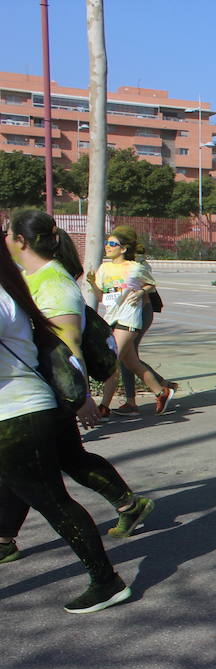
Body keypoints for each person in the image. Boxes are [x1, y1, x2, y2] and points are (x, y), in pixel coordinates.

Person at [0, 210, 155, 564]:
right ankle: (129, 505)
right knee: (52, 462)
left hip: (50, 392)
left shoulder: (52, 281)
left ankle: (104, 566)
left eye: (9, 234)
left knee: (36, 469)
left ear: (22, 241)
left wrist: (81, 396)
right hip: (42, 390)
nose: (5, 240)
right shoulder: (29, 276)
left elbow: (67, 342)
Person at [0, 239, 132, 613]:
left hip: (17, 415)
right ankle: (4, 538)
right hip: (21, 412)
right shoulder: (13, 287)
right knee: (22, 486)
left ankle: (106, 581)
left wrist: (82, 396)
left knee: (53, 501)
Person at [92, 226, 176, 417]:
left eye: (112, 243)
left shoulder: (136, 266)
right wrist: (91, 284)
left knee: (113, 361)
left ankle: (104, 407)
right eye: (107, 243)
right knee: (131, 362)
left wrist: (140, 292)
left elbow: (151, 283)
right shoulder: (104, 268)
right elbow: (101, 298)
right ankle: (161, 391)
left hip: (129, 318)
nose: (107, 246)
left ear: (123, 248)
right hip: (112, 317)